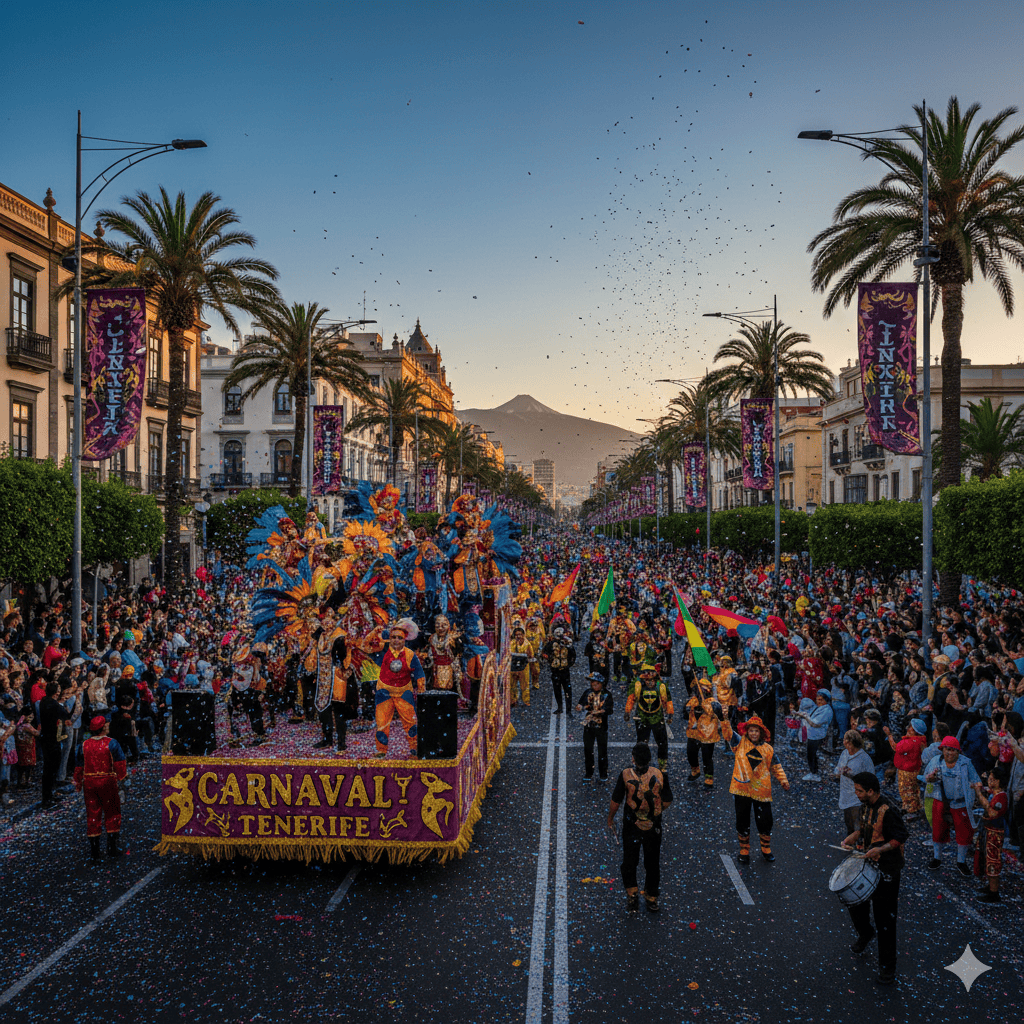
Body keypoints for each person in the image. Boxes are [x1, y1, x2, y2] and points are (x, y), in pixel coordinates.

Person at [840, 771, 909, 985]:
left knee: (884, 920)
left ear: (871, 791)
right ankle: (865, 933)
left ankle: (887, 967)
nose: (856, 794)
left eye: (859, 791)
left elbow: (901, 837)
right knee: (854, 904)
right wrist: (852, 838)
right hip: (866, 864)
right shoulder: (865, 806)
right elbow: (863, 830)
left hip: (887, 870)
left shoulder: (888, 810)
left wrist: (880, 849)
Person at [607, 742, 673, 913]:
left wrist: (610, 819)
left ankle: (632, 896)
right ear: (650, 759)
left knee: (629, 862)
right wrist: (655, 811)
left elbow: (616, 801)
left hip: (631, 826)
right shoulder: (660, 774)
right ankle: (651, 898)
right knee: (652, 863)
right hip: (654, 827)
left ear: (633, 759)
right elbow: (668, 800)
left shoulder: (625, 775)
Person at [729, 714, 789, 863]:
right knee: (742, 820)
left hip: (761, 791)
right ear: (747, 732)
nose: (753, 733)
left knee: (765, 820)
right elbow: (728, 733)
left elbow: (776, 766)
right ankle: (744, 850)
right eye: (751, 731)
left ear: (761, 733)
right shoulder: (740, 743)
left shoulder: (768, 749)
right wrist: (723, 718)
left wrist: (783, 780)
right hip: (741, 789)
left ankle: (766, 849)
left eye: (756, 731)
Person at [924, 735, 982, 875]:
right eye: (947, 749)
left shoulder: (966, 763)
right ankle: (937, 858)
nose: (950, 753)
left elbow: (976, 780)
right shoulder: (935, 761)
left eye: (953, 750)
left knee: (964, 832)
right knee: (937, 830)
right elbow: (926, 777)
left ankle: (961, 862)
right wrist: (930, 778)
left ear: (958, 751)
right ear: (942, 750)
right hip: (940, 800)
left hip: (960, 802)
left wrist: (977, 788)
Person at [73, 715, 128, 860]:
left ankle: (95, 851)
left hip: (89, 783)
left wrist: (78, 781)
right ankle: (112, 847)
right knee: (112, 813)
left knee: (92, 814)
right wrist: (122, 779)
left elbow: (79, 766)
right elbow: (120, 764)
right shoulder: (112, 743)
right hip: (108, 782)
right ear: (103, 727)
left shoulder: (84, 745)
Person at [369, 621, 426, 758]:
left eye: (399, 638)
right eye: (393, 637)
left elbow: (419, 672)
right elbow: (365, 646)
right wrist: (373, 633)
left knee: (411, 723)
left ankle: (414, 749)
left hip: (404, 692)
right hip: (384, 692)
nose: (396, 640)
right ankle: (381, 751)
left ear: (405, 639)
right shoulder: (382, 650)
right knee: (382, 724)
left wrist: (421, 688)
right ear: (389, 638)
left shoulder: (410, 654)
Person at [685, 673, 732, 786]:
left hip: (708, 735)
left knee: (707, 757)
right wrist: (687, 709)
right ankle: (695, 771)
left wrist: (708, 708)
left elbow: (720, 716)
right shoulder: (693, 700)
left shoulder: (713, 703)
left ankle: (709, 778)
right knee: (691, 753)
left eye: (702, 689)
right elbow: (685, 714)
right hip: (693, 733)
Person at [625, 667, 674, 770]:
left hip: (657, 718)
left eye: (652, 680)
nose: (650, 682)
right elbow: (631, 698)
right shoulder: (638, 687)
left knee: (662, 743)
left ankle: (662, 764)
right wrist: (627, 711)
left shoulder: (661, 687)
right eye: (647, 680)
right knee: (642, 743)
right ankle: (640, 763)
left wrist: (670, 712)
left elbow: (668, 700)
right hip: (642, 718)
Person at [972, 769, 1008, 903]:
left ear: (998, 781)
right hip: (988, 831)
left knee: (993, 861)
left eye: (992, 779)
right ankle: (990, 887)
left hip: (994, 834)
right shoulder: (995, 793)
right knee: (987, 860)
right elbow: (987, 790)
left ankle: (994, 893)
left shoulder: (1001, 798)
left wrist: (978, 793)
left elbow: (992, 813)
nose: (989, 781)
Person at [834, 730, 876, 837]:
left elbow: (870, 778)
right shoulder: (845, 753)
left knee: (857, 821)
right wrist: (838, 772)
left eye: (847, 741)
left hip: (858, 797)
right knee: (848, 821)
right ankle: (851, 839)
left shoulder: (864, 759)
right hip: (845, 794)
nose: (844, 743)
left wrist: (852, 775)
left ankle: (859, 841)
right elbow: (838, 767)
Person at [884, 718, 927, 819]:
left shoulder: (910, 742)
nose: (908, 728)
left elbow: (895, 747)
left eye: (910, 727)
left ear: (915, 731)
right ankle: (913, 807)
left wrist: (889, 735)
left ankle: (911, 810)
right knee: (913, 789)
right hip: (914, 769)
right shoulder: (920, 741)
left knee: (906, 790)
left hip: (907, 771)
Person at [39, 679, 71, 809]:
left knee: (49, 768)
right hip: (53, 738)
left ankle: (49, 795)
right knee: (51, 769)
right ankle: (47, 798)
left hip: (46, 737)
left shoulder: (44, 701)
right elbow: (66, 715)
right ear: (56, 693)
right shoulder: (55, 705)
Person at [576, 672, 613, 782]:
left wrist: (601, 711)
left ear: (601, 684)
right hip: (589, 725)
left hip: (601, 726)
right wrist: (580, 706)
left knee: (602, 751)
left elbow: (609, 709)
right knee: (588, 750)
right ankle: (589, 773)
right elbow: (581, 703)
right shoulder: (587, 692)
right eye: (592, 683)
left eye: (596, 684)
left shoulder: (607, 695)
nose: (594, 686)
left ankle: (603, 773)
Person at [797, 688, 833, 782]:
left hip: (817, 735)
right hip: (812, 735)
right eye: (818, 699)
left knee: (811, 754)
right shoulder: (819, 707)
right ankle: (813, 771)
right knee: (811, 754)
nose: (818, 701)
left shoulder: (827, 710)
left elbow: (815, 723)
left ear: (826, 700)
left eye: (821, 699)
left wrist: (805, 716)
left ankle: (814, 774)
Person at [542, 624, 576, 716]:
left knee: (567, 690)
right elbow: (544, 652)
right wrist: (550, 659)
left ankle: (568, 710)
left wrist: (569, 664)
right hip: (555, 671)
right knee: (557, 690)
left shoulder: (567, 644)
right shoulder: (551, 644)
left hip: (565, 670)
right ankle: (560, 707)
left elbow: (573, 655)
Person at [509, 625, 534, 707]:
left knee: (525, 685)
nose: (518, 636)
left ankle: (526, 701)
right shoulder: (512, 643)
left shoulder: (527, 644)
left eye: (520, 634)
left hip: (523, 667)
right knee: (512, 685)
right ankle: (513, 700)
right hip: (513, 667)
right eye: (516, 635)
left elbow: (531, 656)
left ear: (523, 635)